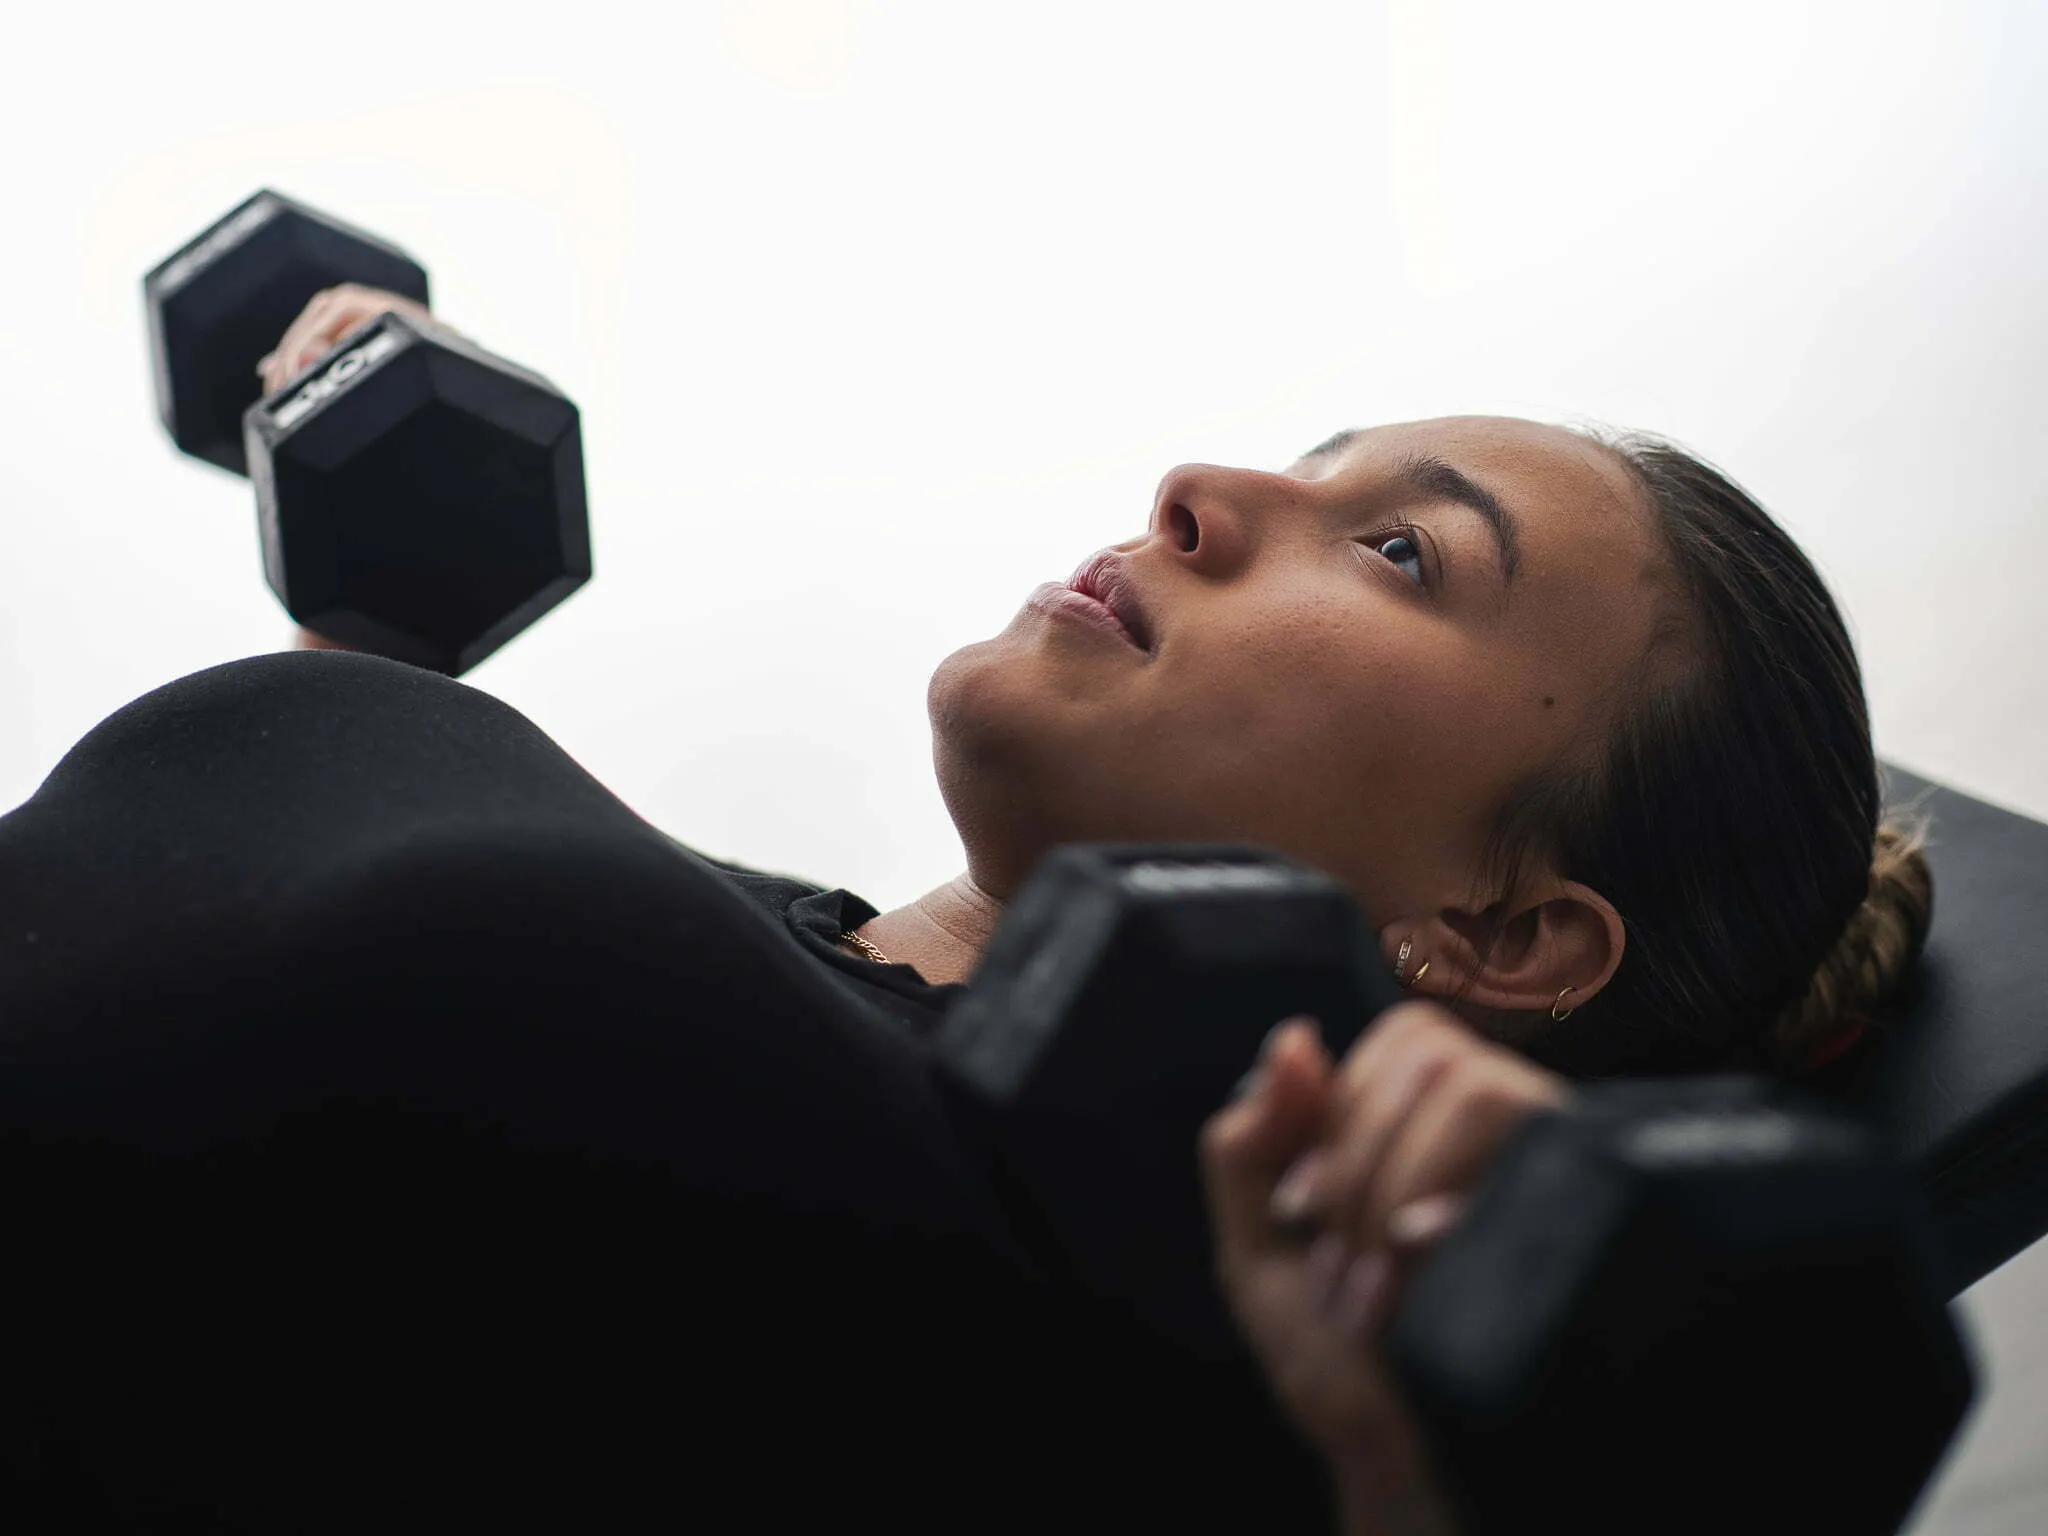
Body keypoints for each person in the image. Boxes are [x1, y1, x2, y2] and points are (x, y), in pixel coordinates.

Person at [0, 287, 1932, 1533]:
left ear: (1503, 934)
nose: (1201, 484)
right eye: (1316, 462)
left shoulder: (1140, 1341)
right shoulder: (750, 943)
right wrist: (357, 530)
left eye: (1402, 549)